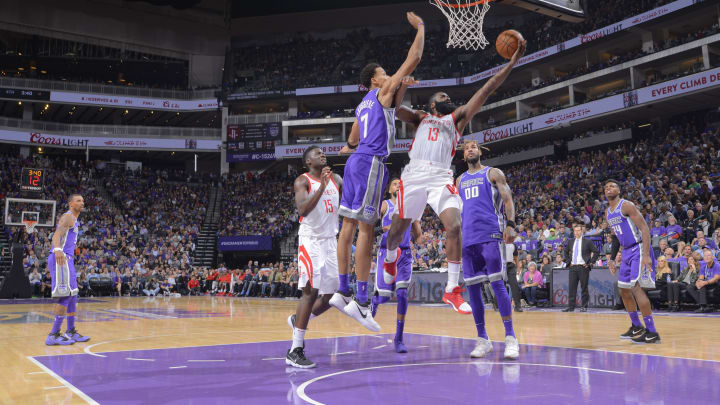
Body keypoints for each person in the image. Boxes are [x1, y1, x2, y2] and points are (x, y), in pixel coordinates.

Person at [331, 11, 425, 331]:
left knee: (348, 226)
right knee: (367, 231)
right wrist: (421, 28)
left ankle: (341, 291)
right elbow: (413, 58)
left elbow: (352, 139)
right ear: (374, 78)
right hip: (371, 163)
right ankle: (359, 300)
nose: (388, 76)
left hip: (355, 161)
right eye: (385, 73)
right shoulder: (382, 91)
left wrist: (348, 150)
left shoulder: (363, 104)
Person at [457, 139, 520, 360]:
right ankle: (482, 338)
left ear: (480, 151)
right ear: (463, 156)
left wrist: (511, 224)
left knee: (497, 284)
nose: (470, 149)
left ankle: (511, 337)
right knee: (473, 289)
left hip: (491, 234)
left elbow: (508, 199)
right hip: (468, 240)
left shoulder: (493, 173)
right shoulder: (459, 180)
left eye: (473, 146)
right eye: (466, 148)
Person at [286, 146, 343, 368]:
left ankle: (300, 320)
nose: (322, 154)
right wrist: (322, 188)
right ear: (308, 161)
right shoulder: (303, 180)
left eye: (323, 152)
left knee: (333, 294)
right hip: (311, 241)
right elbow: (302, 210)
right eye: (316, 153)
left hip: (330, 240)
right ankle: (295, 350)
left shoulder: (337, 179)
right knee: (310, 292)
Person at [371, 178, 424, 353]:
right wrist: (384, 229)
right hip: (386, 251)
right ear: (389, 190)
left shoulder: (411, 207)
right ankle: (375, 300)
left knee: (402, 294)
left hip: (405, 253)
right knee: (385, 296)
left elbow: (418, 236)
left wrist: (423, 238)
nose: (399, 185)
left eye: (401, 183)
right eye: (395, 183)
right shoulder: (385, 205)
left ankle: (399, 338)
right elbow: (369, 229)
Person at [605, 180, 660, 344]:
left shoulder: (626, 205)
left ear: (619, 190)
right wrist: (613, 259)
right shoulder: (608, 212)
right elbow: (615, 237)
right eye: (606, 187)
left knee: (636, 288)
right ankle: (636, 326)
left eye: (612, 186)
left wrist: (646, 255)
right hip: (626, 251)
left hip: (639, 248)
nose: (609, 188)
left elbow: (644, 228)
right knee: (623, 289)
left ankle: (652, 331)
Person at [45, 194, 90, 345]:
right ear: (71, 203)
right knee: (65, 295)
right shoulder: (69, 217)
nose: (82, 203)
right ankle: (53, 334)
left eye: (82, 201)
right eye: (78, 200)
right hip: (61, 258)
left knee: (73, 294)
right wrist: (57, 249)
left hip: (67, 259)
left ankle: (70, 331)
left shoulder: (75, 219)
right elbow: (57, 234)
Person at [562, 223, 600, 312]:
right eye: (575, 231)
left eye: (579, 230)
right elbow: (565, 251)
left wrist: (590, 263)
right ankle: (571, 307)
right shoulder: (571, 241)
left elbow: (596, 252)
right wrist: (568, 262)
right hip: (573, 268)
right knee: (571, 288)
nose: (577, 232)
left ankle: (584, 306)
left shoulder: (587, 241)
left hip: (583, 267)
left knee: (584, 288)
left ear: (582, 231)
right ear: (574, 232)